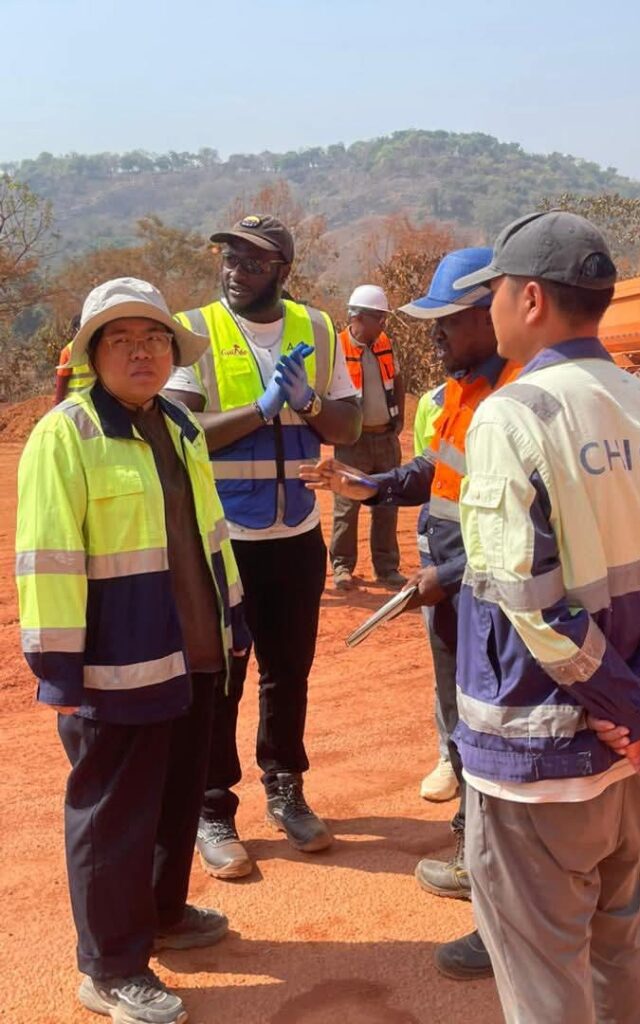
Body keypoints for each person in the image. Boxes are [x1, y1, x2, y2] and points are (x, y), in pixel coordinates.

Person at [452, 212, 640, 1023]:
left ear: (530, 298)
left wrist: (632, 713)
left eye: (495, 292)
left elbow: (531, 600)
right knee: (618, 935)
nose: (491, 308)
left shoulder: (513, 414)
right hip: (630, 755)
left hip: (540, 751)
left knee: (544, 970)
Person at [16, 278, 250, 1024]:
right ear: (93, 354)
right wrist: (60, 672)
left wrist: (232, 625)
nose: (141, 352)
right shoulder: (67, 435)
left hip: (193, 654)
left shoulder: (179, 426)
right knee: (113, 818)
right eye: (120, 340)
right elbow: (47, 559)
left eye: (153, 339)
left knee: (176, 801)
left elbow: (211, 536)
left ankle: (164, 916)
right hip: (113, 667)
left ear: (172, 352)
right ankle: (111, 968)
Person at [300, 247, 515, 979]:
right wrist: (373, 485)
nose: (435, 335)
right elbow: (436, 471)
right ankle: (470, 848)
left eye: (448, 321)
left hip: (488, 593)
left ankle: (493, 878)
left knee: (489, 728)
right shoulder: (462, 390)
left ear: (492, 314)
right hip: (453, 586)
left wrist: (446, 576)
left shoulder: (518, 397)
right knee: (460, 719)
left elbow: (530, 524)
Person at [165, 214, 361, 879]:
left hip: (296, 534)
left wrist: (309, 404)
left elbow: (349, 426)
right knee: (220, 677)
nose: (235, 271)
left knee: (288, 671)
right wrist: (262, 406)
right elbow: (181, 431)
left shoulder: (320, 329)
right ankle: (212, 807)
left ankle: (286, 788)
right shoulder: (194, 330)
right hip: (224, 540)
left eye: (251, 262)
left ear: (283, 270)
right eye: (229, 258)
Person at [330, 285, 406, 590]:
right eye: (380, 318)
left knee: (387, 504)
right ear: (358, 317)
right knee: (347, 507)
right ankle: (342, 567)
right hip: (352, 442)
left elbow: (397, 378)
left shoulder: (384, 343)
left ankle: (386, 569)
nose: (384, 324)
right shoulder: (337, 348)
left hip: (385, 438)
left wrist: (399, 418)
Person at [412, 383, 459, 803]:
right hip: (439, 550)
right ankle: (450, 757)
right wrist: (373, 486)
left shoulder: (514, 394)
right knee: (445, 661)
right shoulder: (432, 402)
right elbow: (426, 475)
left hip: (489, 556)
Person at [54, 315, 96, 404]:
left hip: (76, 402)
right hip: (97, 400)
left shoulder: (68, 351)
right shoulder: (98, 348)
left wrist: (58, 403)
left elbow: (61, 382)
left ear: (74, 331)